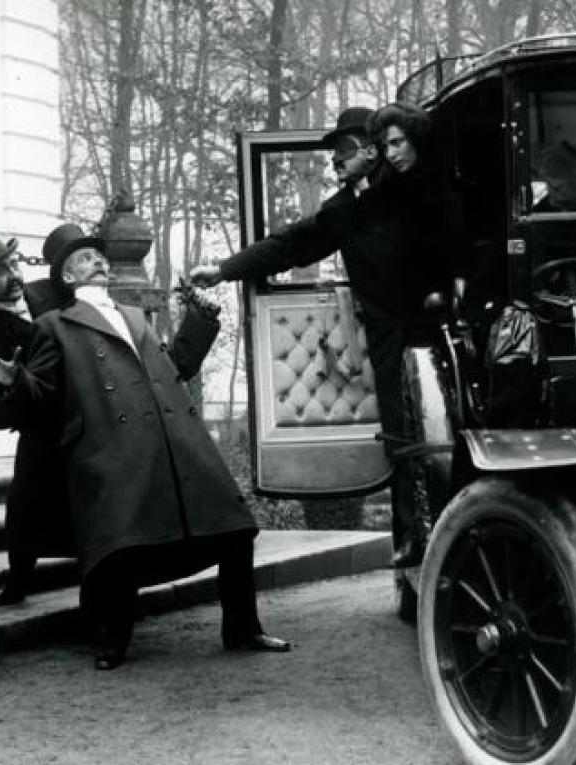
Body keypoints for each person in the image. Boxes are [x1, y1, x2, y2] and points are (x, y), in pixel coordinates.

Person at [0, 236, 289, 669]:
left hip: (174, 441)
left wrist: (200, 320)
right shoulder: (54, 325)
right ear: (67, 276)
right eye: (84, 258)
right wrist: (18, 381)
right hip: (114, 450)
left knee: (234, 529)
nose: (98, 260)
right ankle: (113, 642)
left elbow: (175, 367)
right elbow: (44, 396)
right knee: (123, 545)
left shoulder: (133, 316)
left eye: (99, 256)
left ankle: (243, 629)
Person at [189, 104, 454, 570]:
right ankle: (413, 540)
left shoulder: (411, 184)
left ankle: (456, 534)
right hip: (388, 340)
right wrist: (224, 270)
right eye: (333, 152)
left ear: (371, 151)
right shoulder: (341, 210)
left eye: (344, 149)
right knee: (402, 436)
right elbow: (289, 245)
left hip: (439, 327)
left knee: (450, 432)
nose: (335, 160)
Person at [0, 229, 76, 606]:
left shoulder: (51, 295)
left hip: (88, 412)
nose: (13, 276)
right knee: (25, 501)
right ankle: (18, 583)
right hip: (43, 427)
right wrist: (17, 383)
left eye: (12, 264)